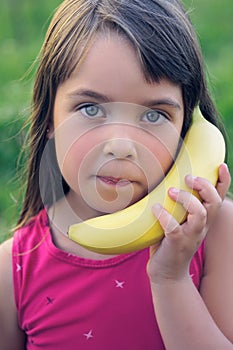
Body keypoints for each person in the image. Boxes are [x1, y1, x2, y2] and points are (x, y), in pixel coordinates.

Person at [0, 0, 232, 348]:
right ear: (50, 119)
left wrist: (171, 279)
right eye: (90, 108)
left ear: (186, 129)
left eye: (154, 115)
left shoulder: (217, 234)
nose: (121, 145)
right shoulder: (13, 270)